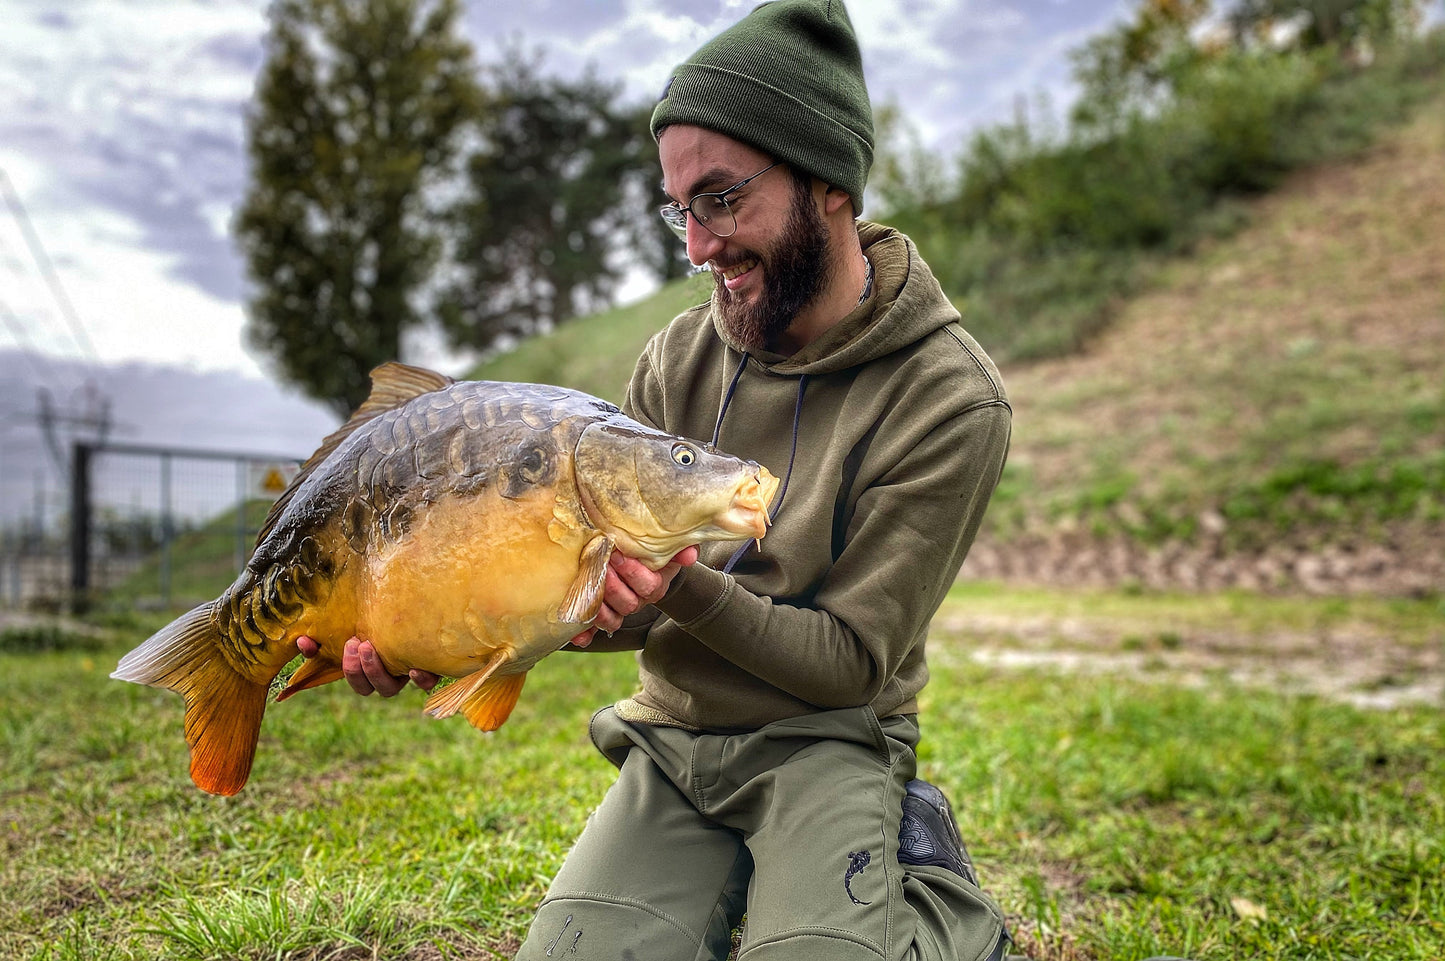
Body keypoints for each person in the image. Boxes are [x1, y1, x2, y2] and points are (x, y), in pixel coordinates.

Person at [301, 2, 1015, 958]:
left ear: (829, 181)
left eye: (721, 199)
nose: (697, 246)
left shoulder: (948, 397)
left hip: (832, 740)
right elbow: (618, 611)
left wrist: (683, 584)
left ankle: (931, 899)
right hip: (674, 742)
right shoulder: (679, 358)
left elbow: (851, 661)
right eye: (681, 209)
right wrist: (455, 629)